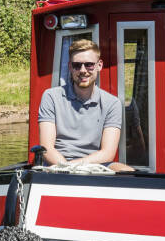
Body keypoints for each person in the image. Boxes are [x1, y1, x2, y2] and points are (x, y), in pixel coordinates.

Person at [38, 39, 132, 171]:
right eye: (77, 65)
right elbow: (47, 148)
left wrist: (75, 167)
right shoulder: (51, 97)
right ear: (70, 67)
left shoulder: (112, 104)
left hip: (94, 164)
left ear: (99, 65)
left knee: (128, 172)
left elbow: (108, 153)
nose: (83, 70)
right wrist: (65, 168)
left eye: (89, 65)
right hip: (57, 165)